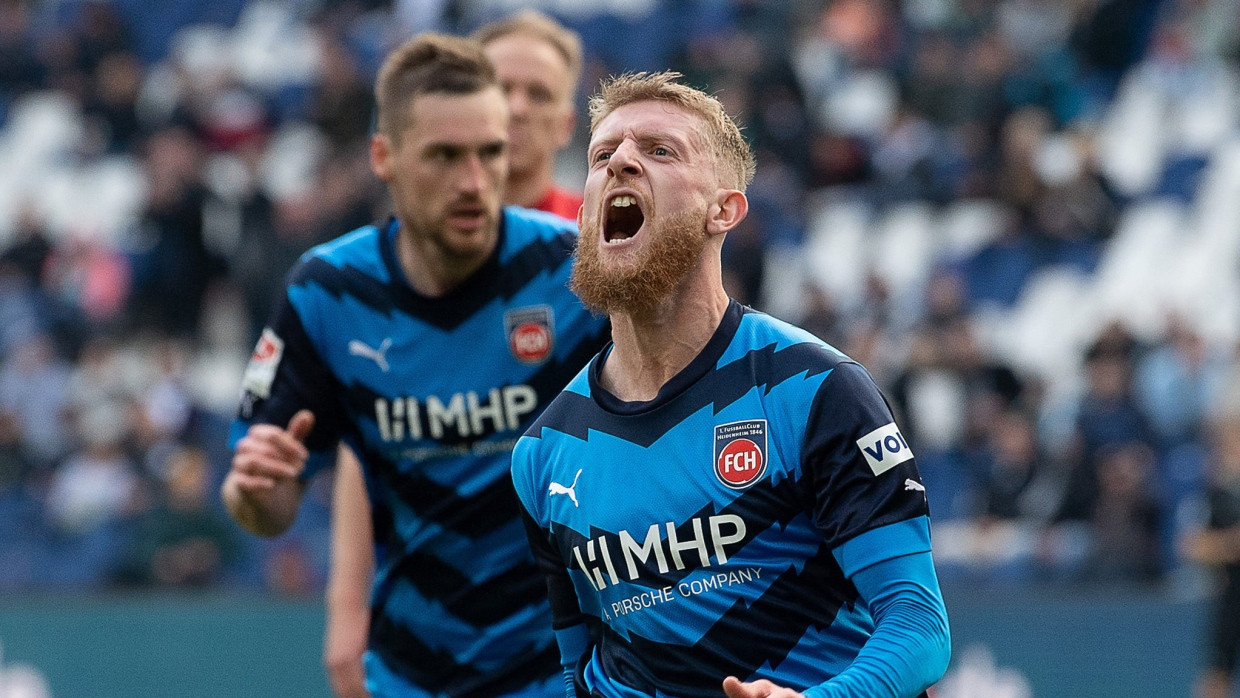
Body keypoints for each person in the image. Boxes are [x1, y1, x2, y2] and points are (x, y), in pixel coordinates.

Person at [510, 71, 951, 698]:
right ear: (584, 214)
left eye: (660, 150)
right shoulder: (543, 454)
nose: (622, 163)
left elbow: (919, 624)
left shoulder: (814, 390)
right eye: (602, 154)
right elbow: (580, 671)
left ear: (725, 209)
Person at [222, 32, 609, 698]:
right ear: (385, 157)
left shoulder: (576, 271)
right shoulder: (328, 292)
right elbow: (263, 502)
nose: (473, 180)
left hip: (566, 669)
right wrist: (257, 492)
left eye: (491, 153)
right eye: (445, 156)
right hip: (409, 673)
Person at [319, 12, 591, 697]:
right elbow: (366, 431)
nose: (519, 106)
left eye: (540, 93)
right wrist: (346, 606)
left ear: (566, 123)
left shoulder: (600, 252)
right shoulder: (401, 261)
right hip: (435, 627)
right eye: (505, 86)